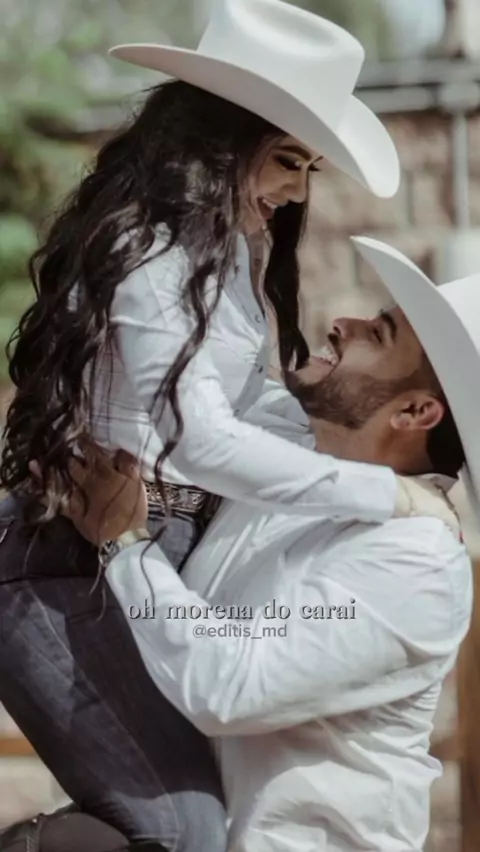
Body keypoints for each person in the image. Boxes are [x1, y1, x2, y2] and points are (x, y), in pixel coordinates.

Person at [0, 0, 454, 849]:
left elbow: (252, 411)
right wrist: (390, 495)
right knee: (181, 832)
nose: (299, 191)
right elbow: (205, 441)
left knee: (181, 830)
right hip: (71, 555)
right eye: (288, 159)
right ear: (216, 142)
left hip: (129, 544)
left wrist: (381, 482)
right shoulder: (150, 254)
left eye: (309, 166)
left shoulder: (227, 257)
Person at [59, 237, 475, 851]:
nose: (342, 324)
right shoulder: (287, 459)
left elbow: (227, 685)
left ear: (415, 412)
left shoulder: (420, 564)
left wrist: (124, 543)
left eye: (378, 335)